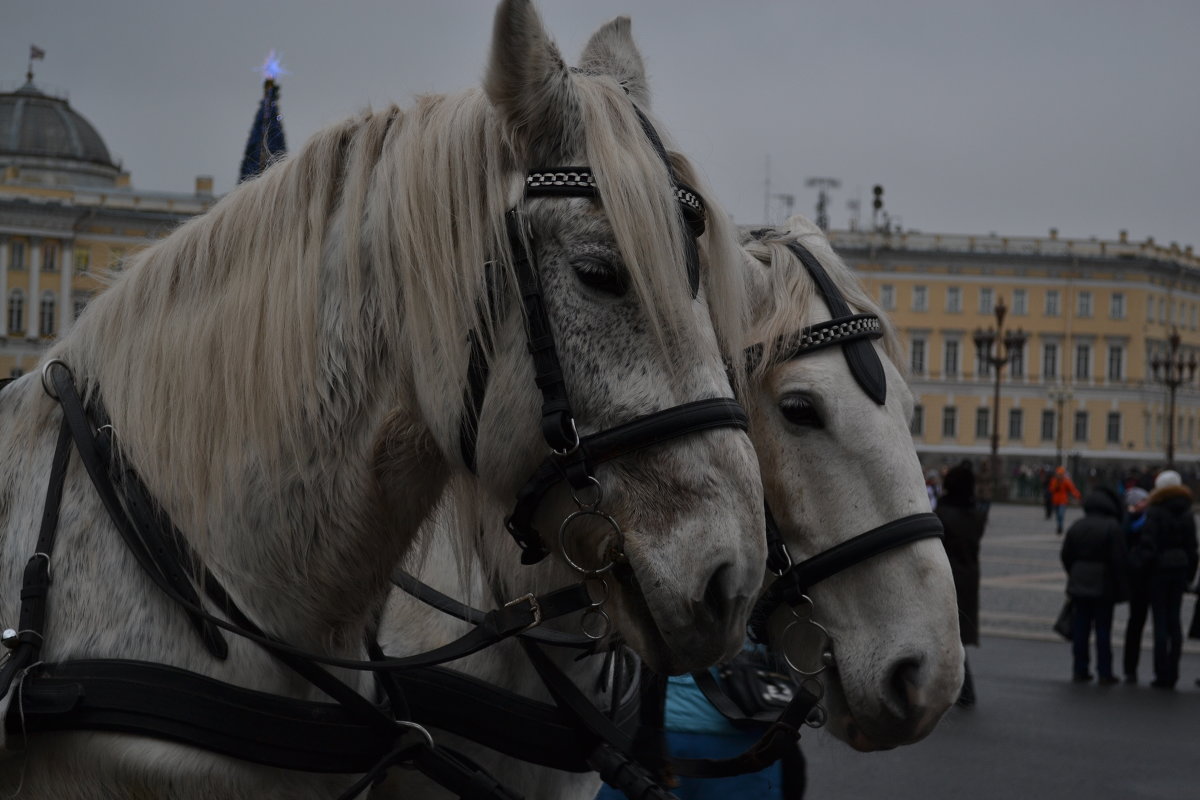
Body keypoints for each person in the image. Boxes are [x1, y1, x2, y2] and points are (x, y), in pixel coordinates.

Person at [1134, 470, 1199, 689]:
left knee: (1160, 622)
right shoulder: (1188, 512)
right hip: (1179, 569)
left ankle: (1161, 672)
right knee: (1175, 622)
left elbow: (1149, 544)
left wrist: (1144, 568)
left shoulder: (1156, 511)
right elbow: (1193, 548)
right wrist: (1189, 574)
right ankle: (1174, 671)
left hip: (1159, 571)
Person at [1060, 486, 1128, 684]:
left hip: (1080, 582)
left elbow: (1066, 554)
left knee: (1081, 628)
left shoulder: (1078, 525)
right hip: (1103, 584)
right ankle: (1104, 671)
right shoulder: (1112, 527)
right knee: (1103, 630)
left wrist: (1074, 572)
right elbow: (1119, 559)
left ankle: (1080, 669)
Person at [934, 461, 987, 706]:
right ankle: (962, 690)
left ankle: (964, 690)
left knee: (945, 634)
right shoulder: (976, 514)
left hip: (948, 576)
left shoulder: (944, 514)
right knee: (957, 635)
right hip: (969, 575)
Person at [1121, 487, 1152, 683]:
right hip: (1139, 578)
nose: (1144, 503)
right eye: (1141, 501)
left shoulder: (1150, 519)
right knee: (1136, 621)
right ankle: (1130, 668)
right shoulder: (1130, 520)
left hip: (1145, 576)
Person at [1048, 466, 1082, 535]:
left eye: (1060, 474)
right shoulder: (1054, 481)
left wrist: (1078, 496)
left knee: (1061, 514)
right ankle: (1059, 526)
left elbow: (1073, 489)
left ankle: (1060, 527)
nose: (1059, 475)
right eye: (1058, 474)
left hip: (1063, 501)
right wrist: (1057, 485)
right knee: (1057, 515)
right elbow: (1051, 489)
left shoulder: (1066, 481)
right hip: (1055, 501)